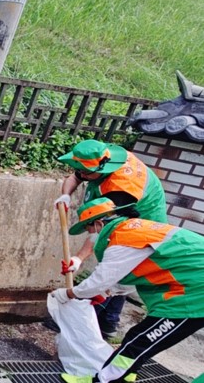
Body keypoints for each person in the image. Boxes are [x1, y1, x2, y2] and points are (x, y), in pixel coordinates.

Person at [50, 197, 204, 383]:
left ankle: (102, 380)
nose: (89, 234)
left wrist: (68, 294)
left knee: (138, 341)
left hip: (195, 297)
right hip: (191, 289)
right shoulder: (134, 230)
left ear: (99, 223)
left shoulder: (123, 239)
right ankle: (126, 375)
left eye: (88, 228)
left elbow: (101, 279)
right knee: (142, 341)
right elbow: (132, 274)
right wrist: (105, 293)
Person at [54, 139, 167, 339]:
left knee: (114, 276)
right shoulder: (100, 156)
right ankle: (109, 322)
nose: (82, 176)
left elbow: (99, 232)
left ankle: (77, 326)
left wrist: (78, 259)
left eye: (87, 173)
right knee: (122, 276)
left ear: (102, 168)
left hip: (143, 225)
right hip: (124, 218)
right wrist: (65, 196)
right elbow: (76, 177)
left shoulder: (121, 192)